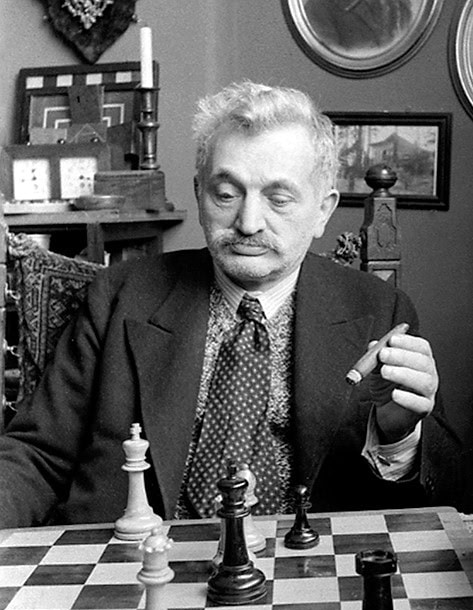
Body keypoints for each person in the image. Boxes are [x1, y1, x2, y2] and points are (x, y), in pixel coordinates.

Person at [0, 81, 462, 527]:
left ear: (323, 210)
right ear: (200, 192)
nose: (248, 222)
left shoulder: (380, 310)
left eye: (278, 199)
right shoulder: (120, 296)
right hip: (132, 564)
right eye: (226, 194)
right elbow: (37, 456)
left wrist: (399, 435)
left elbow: (449, 493)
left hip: (308, 567)